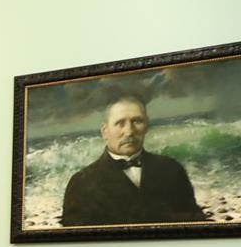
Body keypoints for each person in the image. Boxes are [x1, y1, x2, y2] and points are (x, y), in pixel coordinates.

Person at [61, 95, 204, 227]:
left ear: (146, 126)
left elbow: (195, 223)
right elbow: (75, 243)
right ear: (105, 131)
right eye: (120, 123)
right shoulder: (80, 183)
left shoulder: (172, 169)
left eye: (137, 121)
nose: (129, 131)